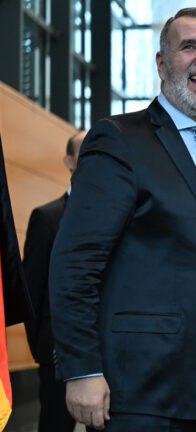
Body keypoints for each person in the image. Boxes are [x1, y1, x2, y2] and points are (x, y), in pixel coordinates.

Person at [48, 6, 196, 431]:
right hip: (140, 394)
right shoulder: (117, 141)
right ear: (161, 62)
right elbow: (75, 265)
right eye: (189, 46)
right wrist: (81, 369)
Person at [23, 130, 85, 432]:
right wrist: (43, 350)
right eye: (84, 152)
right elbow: (31, 292)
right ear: (69, 160)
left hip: (107, 358)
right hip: (56, 356)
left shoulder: (122, 219)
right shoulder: (46, 219)